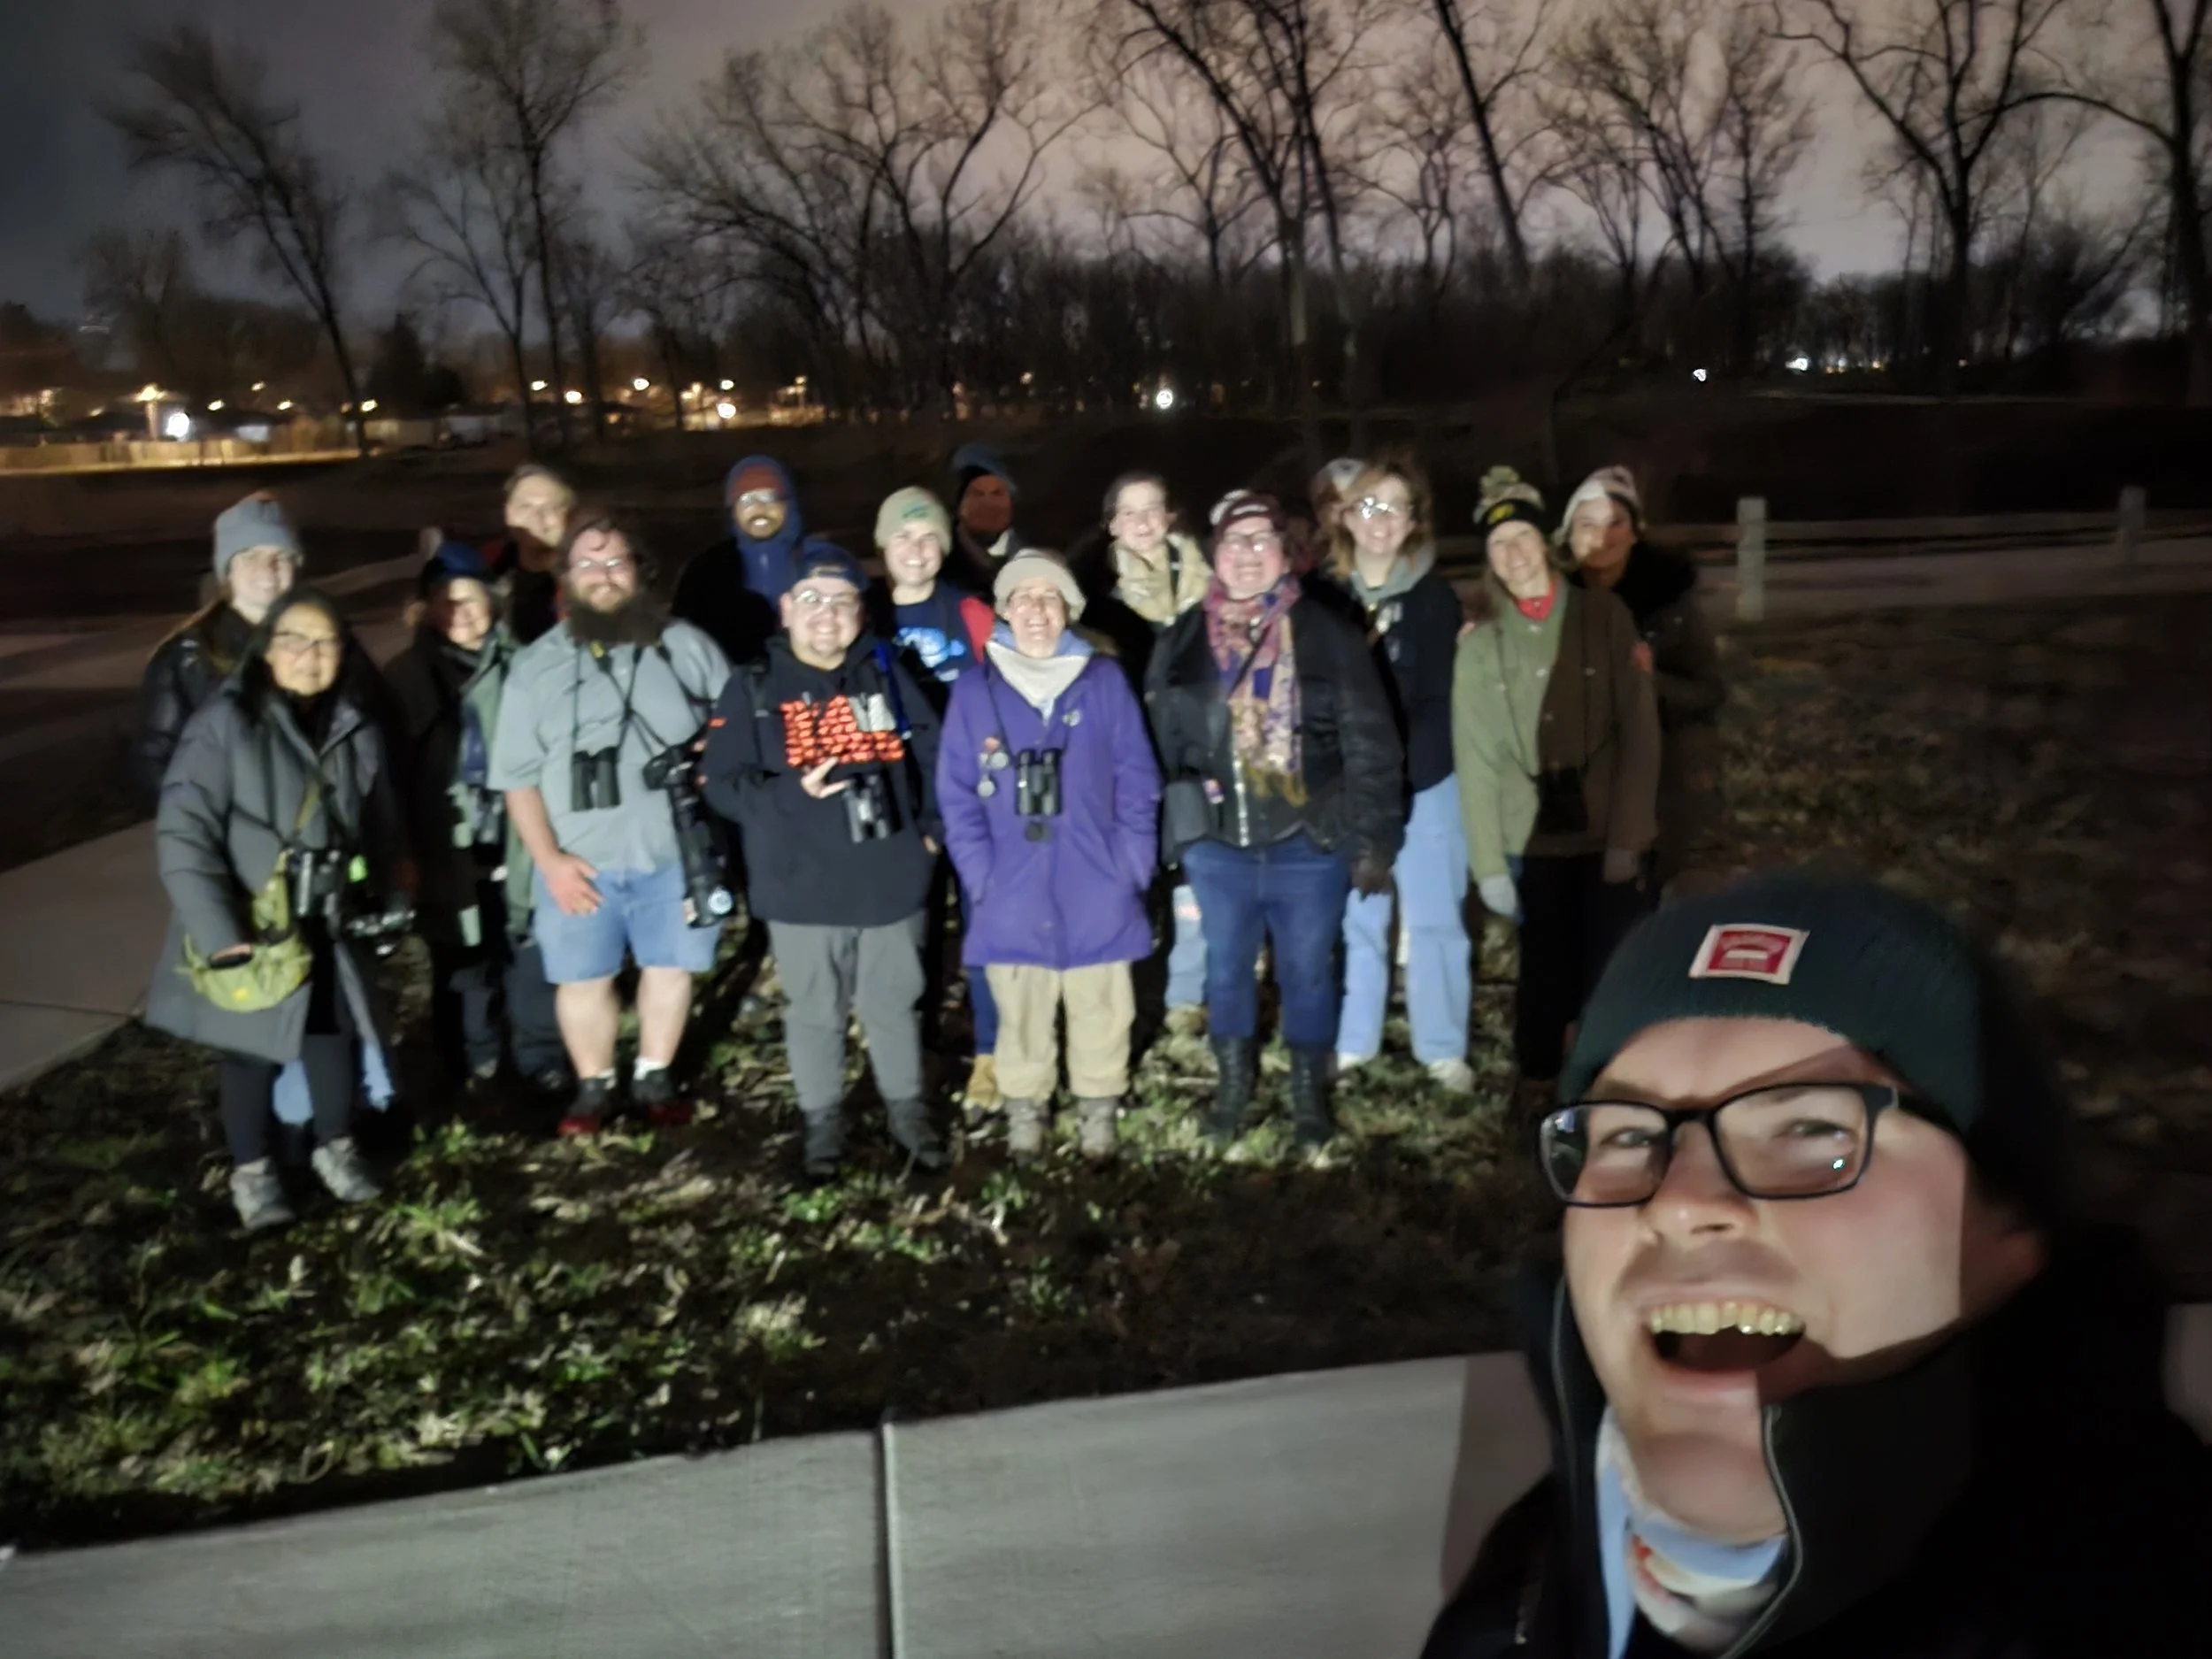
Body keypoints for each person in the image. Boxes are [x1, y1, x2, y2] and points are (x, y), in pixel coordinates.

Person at [1422, 872, 2212, 1659]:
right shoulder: (1520, 1588)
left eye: (1810, 1126)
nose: (1679, 1201)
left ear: (2011, 1235)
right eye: (1628, 1135)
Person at [1145, 490, 1404, 1148]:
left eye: (1263, 540)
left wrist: (1372, 839)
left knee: (1308, 970)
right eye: (1236, 542)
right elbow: (1159, 740)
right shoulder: (1181, 640)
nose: (1249, 554)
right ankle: (1233, 1089)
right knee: (1226, 970)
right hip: (1219, 846)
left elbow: (1371, 742)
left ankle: (1307, 1097)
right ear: (1215, 555)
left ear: (1285, 554)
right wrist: (1178, 824)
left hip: (1308, 841)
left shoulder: (1328, 634)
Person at [144, 590, 405, 1231]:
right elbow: (183, 830)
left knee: (330, 1034)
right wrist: (219, 931)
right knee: (249, 1053)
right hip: (256, 925)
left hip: (326, 918)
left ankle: (336, 1147)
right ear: (268, 646)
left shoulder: (351, 723)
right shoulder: (226, 723)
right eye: (295, 639)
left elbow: (378, 821)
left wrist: (389, 891)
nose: (310, 655)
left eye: (326, 642)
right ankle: (253, 1173)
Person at [701, 541, 949, 1180]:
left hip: (890, 877)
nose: (826, 614)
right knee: (815, 1010)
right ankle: (823, 1124)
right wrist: (788, 792)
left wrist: (931, 834)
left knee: (895, 1002)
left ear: (861, 614)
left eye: (841, 602)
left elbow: (936, 756)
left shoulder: (888, 673)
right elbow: (721, 784)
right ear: (786, 609)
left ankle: (907, 1114)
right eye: (811, 600)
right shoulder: (753, 686)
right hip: (801, 886)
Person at [488, 513, 732, 1136]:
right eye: (587, 564)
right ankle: (593, 1085)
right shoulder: (535, 667)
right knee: (582, 977)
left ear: (639, 573)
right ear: (564, 578)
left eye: (616, 562)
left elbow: (736, 727)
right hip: (578, 859)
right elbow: (516, 778)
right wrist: (551, 862)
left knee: (669, 966)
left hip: (675, 854)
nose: (603, 575)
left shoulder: (687, 645)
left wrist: (714, 766)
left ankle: (654, 1072)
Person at [939, 551, 1161, 1164]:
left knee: (1102, 1006)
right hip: (1010, 882)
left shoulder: (1103, 680)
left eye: (1049, 598)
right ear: (1005, 610)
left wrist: (1131, 865)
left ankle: (1097, 1111)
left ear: (1068, 609)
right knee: (1021, 1008)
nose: (1036, 611)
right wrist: (980, 874)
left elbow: (1138, 780)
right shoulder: (974, 688)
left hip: (1097, 877)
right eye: (1023, 598)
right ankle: (1026, 1113)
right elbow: (956, 793)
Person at [1454, 467, 1660, 1110]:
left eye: (1521, 536)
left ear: (1546, 543)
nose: (1513, 553)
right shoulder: (1482, 645)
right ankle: (1538, 1074)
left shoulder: (1604, 616)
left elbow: (1640, 733)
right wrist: (1488, 864)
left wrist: (1629, 836)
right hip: (1534, 834)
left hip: (1606, 827)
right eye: (1497, 544)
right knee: (1543, 967)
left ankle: (1609, 1079)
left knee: (1614, 962)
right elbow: (1477, 758)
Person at [384, 541, 566, 1097]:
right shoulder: (406, 678)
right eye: (442, 601)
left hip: (518, 833)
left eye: (468, 599)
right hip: (445, 841)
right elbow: (389, 774)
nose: (457, 612)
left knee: (529, 950)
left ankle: (541, 1058)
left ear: (493, 601)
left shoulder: (527, 665)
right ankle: (474, 1059)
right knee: (461, 958)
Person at [1324, 457, 1476, 1093]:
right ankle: (1354, 1039)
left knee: (1436, 918)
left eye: (1394, 506)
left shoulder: (1434, 598)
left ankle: (1441, 1047)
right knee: (1358, 917)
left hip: (1425, 782)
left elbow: (1440, 698)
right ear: (1345, 517)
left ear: (1414, 520)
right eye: (1367, 505)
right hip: (1352, 787)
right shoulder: (1326, 598)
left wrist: (1401, 770)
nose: (1380, 520)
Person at [863, 486, 1001, 1110]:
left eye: (928, 538)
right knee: (904, 935)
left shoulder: (969, 612)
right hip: (897, 802)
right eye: (903, 537)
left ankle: (991, 1055)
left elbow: (1008, 691)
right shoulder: (863, 615)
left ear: (944, 547)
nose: (915, 550)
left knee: (983, 931)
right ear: (883, 546)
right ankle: (907, 1053)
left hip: (973, 801)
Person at [1074, 471, 1213, 1041]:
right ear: (1111, 525)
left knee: (1193, 881)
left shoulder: (1213, 588)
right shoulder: (1089, 598)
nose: (1143, 523)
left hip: (1197, 758)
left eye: (1153, 509)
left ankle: (1185, 995)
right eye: (1128, 513)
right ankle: (1124, 998)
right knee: (1128, 885)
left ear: (1171, 516)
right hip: (1123, 766)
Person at [1562, 466, 1727, 890]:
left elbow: (1708, 692)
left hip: (1655, 789)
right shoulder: (1551, 602)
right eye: (1589, 523)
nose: (1603, 535)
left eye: (1616, 522)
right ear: (1568, 534)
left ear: (1635, 531)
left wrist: (1647, 683)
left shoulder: (1668, 602)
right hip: (1570, 796)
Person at [134, 492, 306, 799]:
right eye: (250, 556)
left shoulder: (324, 639)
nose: (268, 569)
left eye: (280, 556)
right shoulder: (186, 656)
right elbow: (156, 763)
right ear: (227, 569)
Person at [673, 455, 806, 665]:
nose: (759, 509)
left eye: (770, 498)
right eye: (746, 501)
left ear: (789, 504)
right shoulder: (705, 572)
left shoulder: (820, 561)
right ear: (732, 510)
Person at [484, 464, 574, 646]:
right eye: (525, 507)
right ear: (508, 513)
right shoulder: (484, 565)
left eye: (551, 508)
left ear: (570, 515)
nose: (537, 517)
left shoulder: (590, 574)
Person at [943, 442, 1027, 594]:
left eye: (997, 494)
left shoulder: (1033, 563)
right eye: (978, 494)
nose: (988, 504)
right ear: (961, 505)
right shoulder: (940, 563)